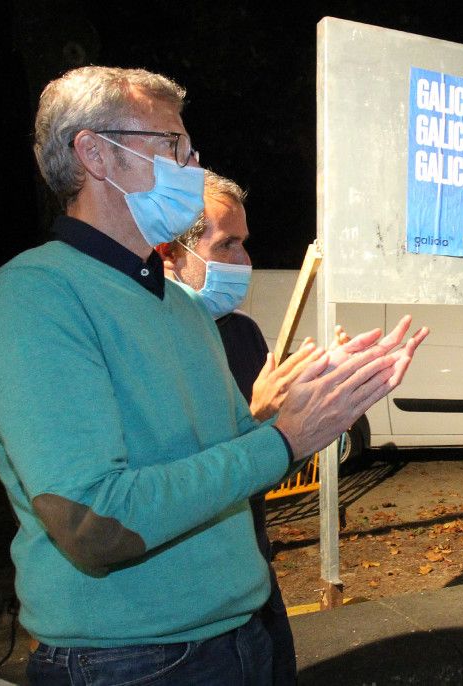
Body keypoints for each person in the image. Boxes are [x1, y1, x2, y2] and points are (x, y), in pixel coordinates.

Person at [0, 66, 425, 685]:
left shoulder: (180, 305)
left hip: (244, 634)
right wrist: (282, 437)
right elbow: (95, 524)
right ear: (96, 153)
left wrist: (316, 404)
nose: (193, 164)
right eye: (174, 147)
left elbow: (236, 460)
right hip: (132, 660)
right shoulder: (34, 298)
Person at [155, 170, 301, 685]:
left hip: (255, 576)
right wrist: (258, 420)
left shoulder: (243, 334)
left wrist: (314, 417)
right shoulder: (149, 340)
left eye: (245, 244)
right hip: (186, 613)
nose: (244, 262)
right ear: (171, 253)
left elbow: (265, 468)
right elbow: (171, 481)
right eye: (227, 245)